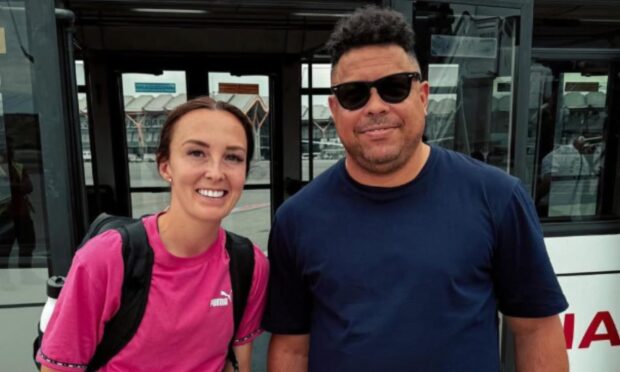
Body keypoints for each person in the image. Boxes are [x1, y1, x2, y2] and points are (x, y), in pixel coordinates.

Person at [262, 6, 568, 372]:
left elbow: (535, 329)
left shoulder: (497, 197)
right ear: (333, 108)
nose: (375, 107)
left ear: (422, 95)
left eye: (394, 88)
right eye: (354, 95)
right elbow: (293, 349)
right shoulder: (297, 219)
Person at [37, 96, 269, 372]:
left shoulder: (248, 265)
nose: (216, 172)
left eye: (233, 157)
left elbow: (237, 364)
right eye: (197, 153)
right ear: (165, 166)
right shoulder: (106, 260)